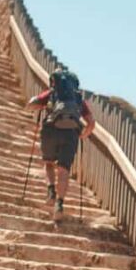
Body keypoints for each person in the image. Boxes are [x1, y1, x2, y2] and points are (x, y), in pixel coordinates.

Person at [28, 69, 95, 220]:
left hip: (51, 130)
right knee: (64, 171)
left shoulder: (52, 94)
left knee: (49, 163)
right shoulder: (78, 99)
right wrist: (82, 134)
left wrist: (41, 106)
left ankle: (51, 191)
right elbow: (91, 123)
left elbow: (31, 105)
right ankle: (59, 204)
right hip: (71, 134)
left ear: (54, 81)